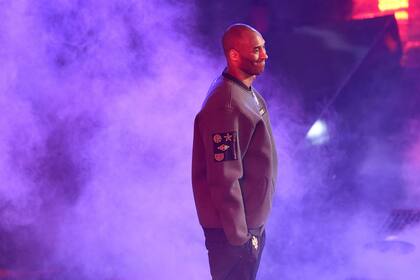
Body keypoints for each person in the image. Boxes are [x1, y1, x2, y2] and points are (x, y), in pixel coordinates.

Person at [191, 23, 278, 280]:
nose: (264, 55)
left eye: (263, 47)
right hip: (234, 235)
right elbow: (223, 177)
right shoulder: (226, 105)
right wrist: (241, 238)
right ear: (234, 55)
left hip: (248, 228)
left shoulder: (246, 93)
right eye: (256, 50)